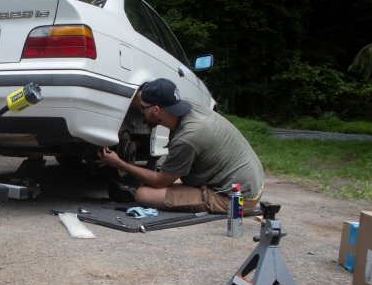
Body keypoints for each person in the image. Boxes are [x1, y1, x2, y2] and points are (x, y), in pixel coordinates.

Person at [98, 78, 264, 214]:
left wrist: (120, 163)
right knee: (162, 178)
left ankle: (133, 194)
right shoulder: (185, 108)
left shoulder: (187, 138)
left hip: (237, 199)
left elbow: (160, 182)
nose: (141, 112)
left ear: (156, 110)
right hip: (246, 181)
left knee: (144, 194)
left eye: (143, 109)